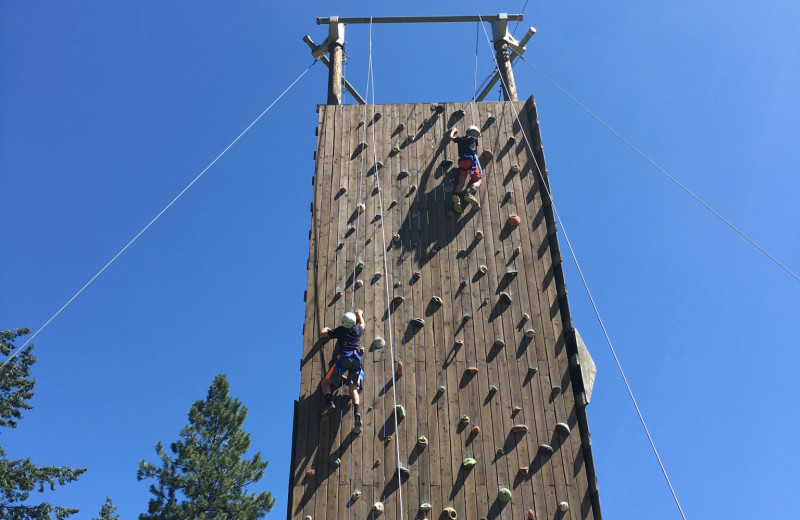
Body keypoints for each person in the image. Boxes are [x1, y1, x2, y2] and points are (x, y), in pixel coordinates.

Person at [320, 309, 365, 431]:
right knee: (353, 389)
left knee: (325, 383)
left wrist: (326, 328)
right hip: (356, 359)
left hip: (344, 357)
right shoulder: (357, 330)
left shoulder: (340, 330)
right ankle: (357, 411)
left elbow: (323, 334)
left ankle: (329, 402)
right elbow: (363, 325)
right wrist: (359, 314)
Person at [448, 125, 483, 213]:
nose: (477, 136)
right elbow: (475, 151)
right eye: (477, 134)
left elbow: (451, 138)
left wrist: (454, 130)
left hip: (462, 162)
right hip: (471, 161)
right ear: (472, 132)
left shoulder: (461, 139)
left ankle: (457, 195)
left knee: (461, 182)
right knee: (478, 180)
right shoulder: (474, 139)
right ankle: (470, 193)